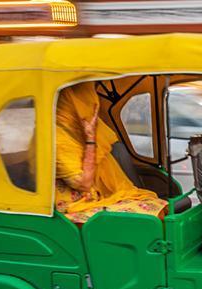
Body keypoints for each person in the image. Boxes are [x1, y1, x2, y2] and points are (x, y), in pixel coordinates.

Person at [55, 82, 167, 224]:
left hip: (95, 198)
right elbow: (84, 184)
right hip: (73, 208)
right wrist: (90, 138)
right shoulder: (58, 138)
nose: (92, 109)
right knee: (148, 218)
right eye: (86, 103)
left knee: (155, 206)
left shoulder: (79, 128)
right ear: (73, 106)